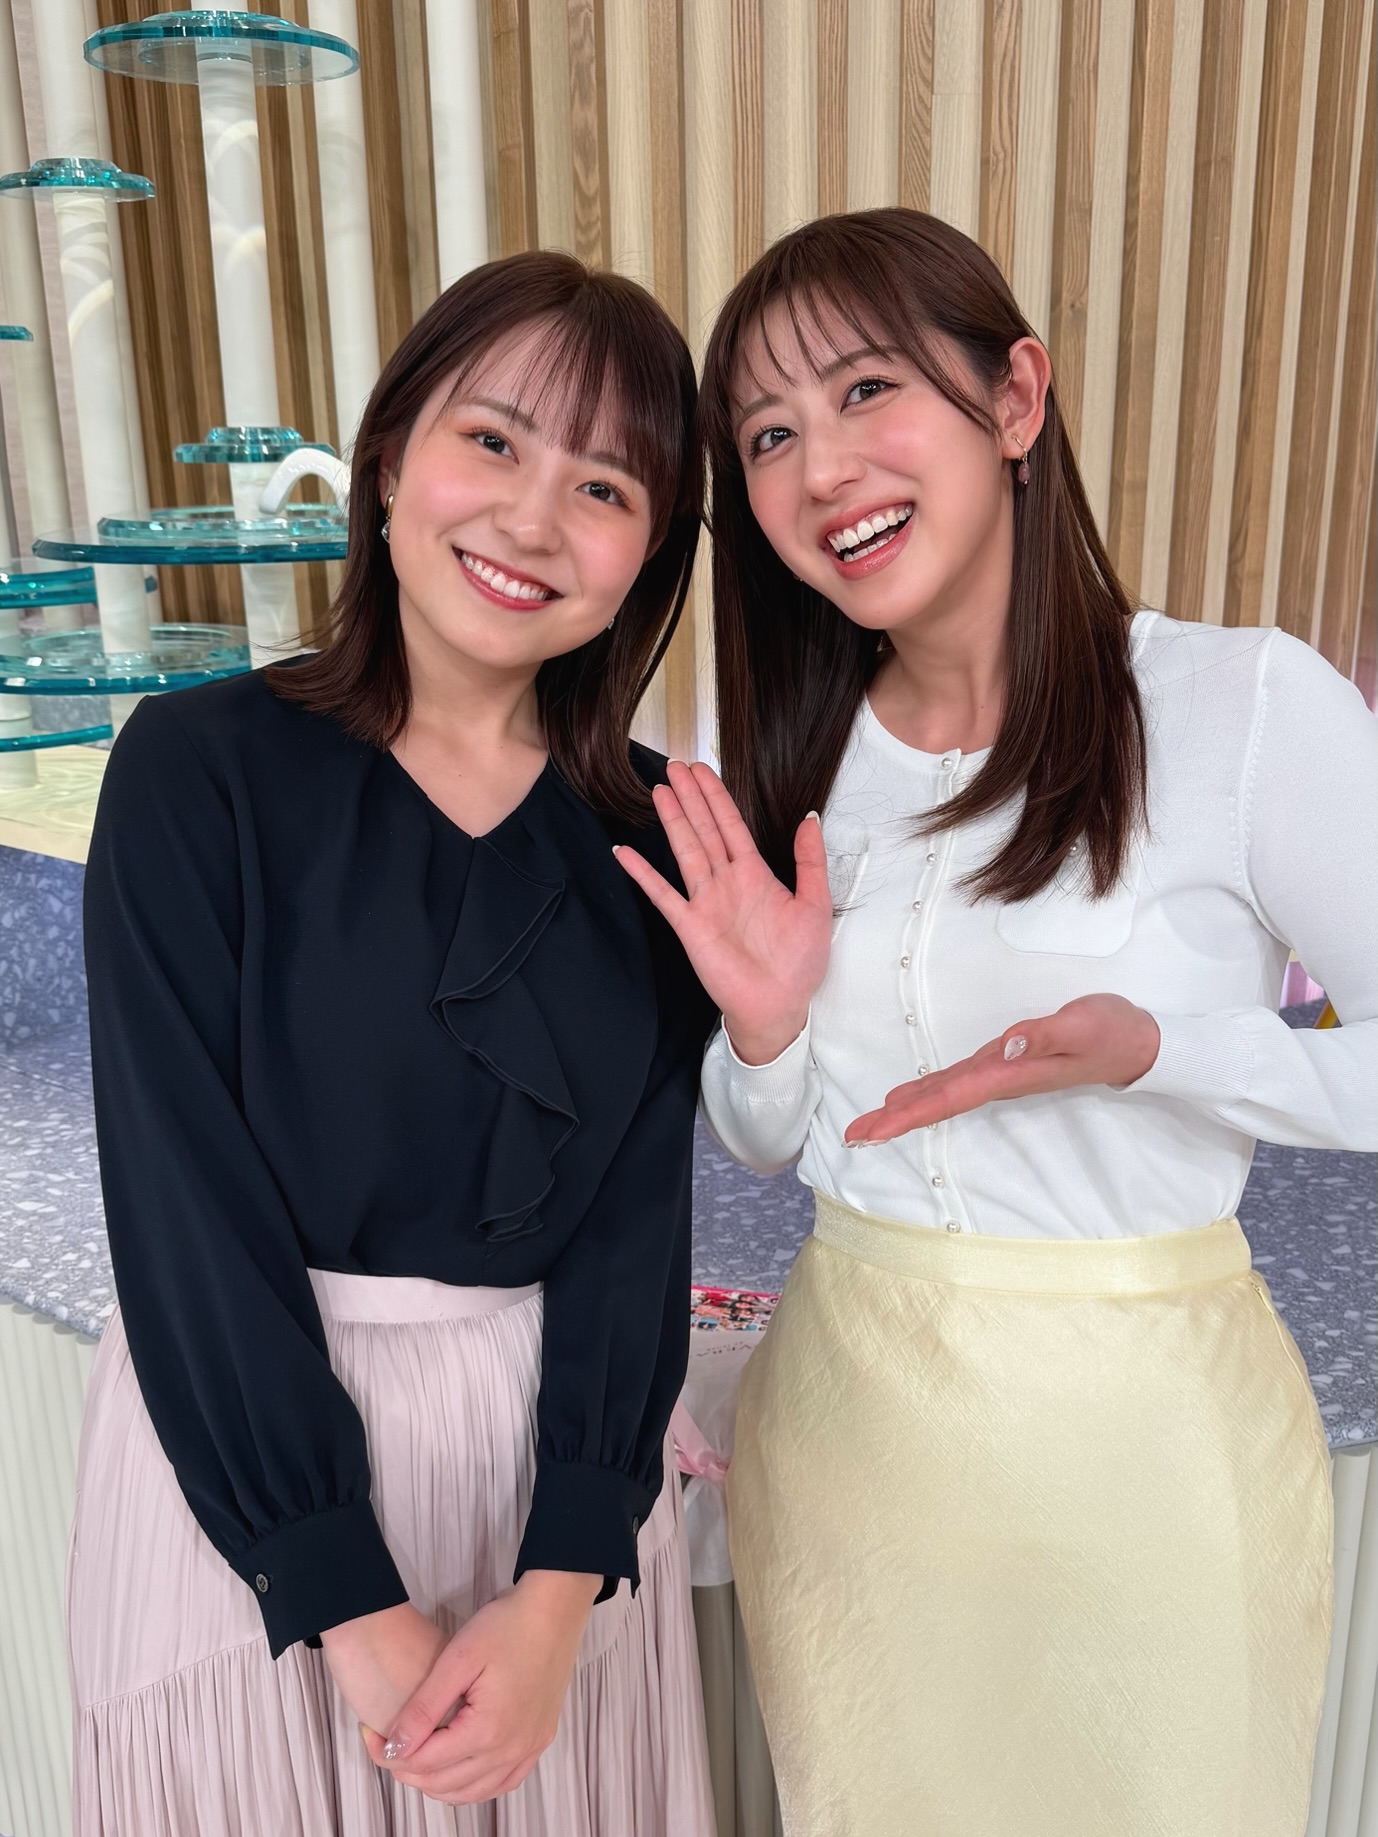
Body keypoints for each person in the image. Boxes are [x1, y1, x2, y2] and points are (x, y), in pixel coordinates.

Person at [613, 208, 1377, 1837]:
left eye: (865, 390)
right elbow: (770, 1140)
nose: (822, 468)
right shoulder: (788, 758)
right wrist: (762, 1030)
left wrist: (1163, 1052)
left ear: (1013, 400)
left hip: (1148, 1468)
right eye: (767, 434)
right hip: (852, 1453)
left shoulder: (1238, 707)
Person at [70, 249, 718, 1836]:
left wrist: (562, 1584)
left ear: (649, 553)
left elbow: (636, 1223)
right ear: (385, 461)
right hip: (249, 1489)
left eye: (604, 486)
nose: (531, 519)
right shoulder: (195, 768)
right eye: (490, 440)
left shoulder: (660, 831)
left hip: (543, 1511)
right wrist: (340, 1592)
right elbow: (180, 1200)